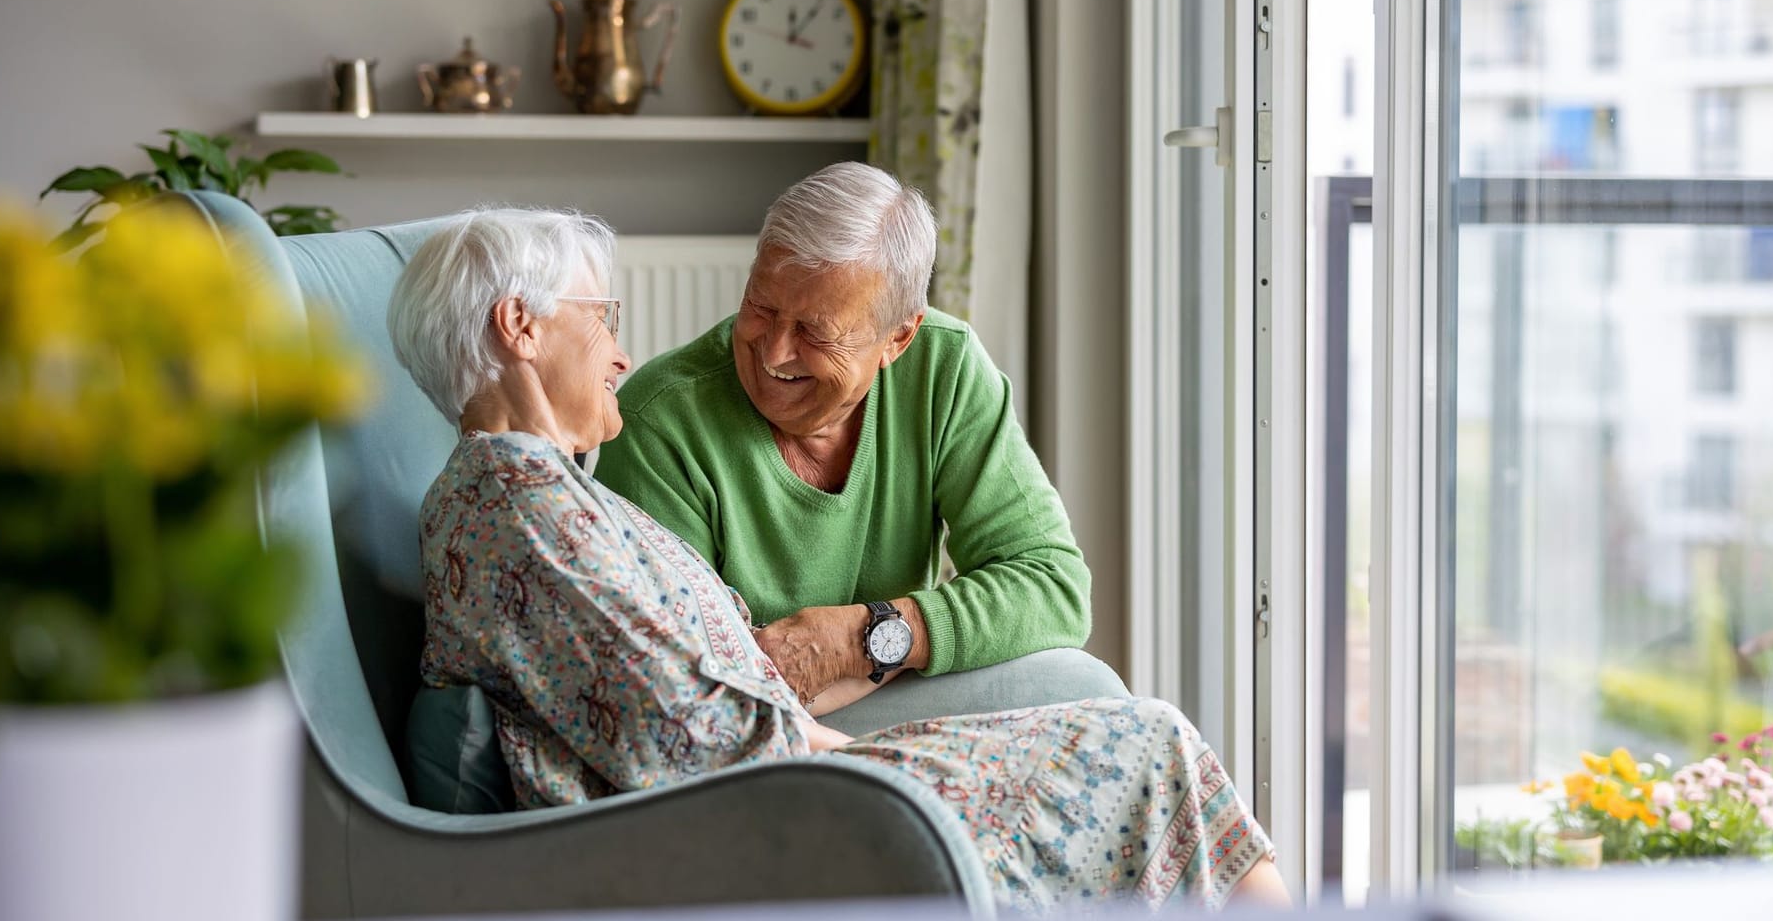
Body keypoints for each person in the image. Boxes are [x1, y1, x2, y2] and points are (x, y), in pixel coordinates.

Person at [386, 207, 1289, 911]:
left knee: (1132, 734)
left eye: (815, 330)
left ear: (896, 337)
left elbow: (694, 684)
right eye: (603, 317)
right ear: (522, 327)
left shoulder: (545, 494)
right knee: (1149, 746)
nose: (622, 351)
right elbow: (687, 739)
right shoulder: (524, 511)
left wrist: (862, 654)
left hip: (794, 764)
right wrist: (862, 751)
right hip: (773, 810)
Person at [596, 162, 1087, 714]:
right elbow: (680, 690)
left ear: (897, 338)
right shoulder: (660, 422)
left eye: (814, 331)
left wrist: (861, 638)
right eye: (761, 306)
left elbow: (1053, 586)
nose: (774, 351)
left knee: (1083, 684)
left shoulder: (942, 370)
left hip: (885, 695)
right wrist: (888, 657)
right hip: (753, 733)